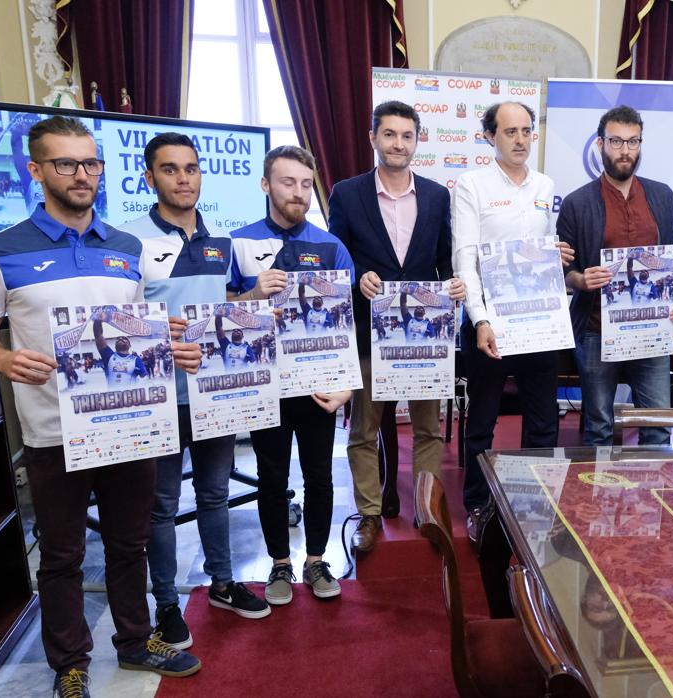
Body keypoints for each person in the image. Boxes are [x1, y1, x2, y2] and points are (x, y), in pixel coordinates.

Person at [0, 116, 202, 698]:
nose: (82, 175)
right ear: (36, 170)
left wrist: (171, 342)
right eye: (66, 164)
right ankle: (69, 662)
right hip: (52, 430)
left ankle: (135, 641)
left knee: (130, 542)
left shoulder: (126, 247)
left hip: (129, 423)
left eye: (91, 163)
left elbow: (138, 327)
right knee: (63, 554)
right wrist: (0, 359)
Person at [120, 132, 270, 649]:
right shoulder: (128, 241)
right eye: (170, 169)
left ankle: (223, 583)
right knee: (160, 505)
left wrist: (254, 295)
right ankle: (165, 604)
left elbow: (229, 304)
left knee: (215, 492)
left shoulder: (221, 242)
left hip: (215, 391)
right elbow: (120, 317)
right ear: (149, 177)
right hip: (158, 393)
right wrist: (162, 328)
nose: (183, 178)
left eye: (190, 168)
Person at [327, 100, 465, 552]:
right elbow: (335, 263)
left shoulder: (437, 195)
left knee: (427, 431)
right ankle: (368, 517)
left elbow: (443, 261)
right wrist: (354, 279)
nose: (398, 144)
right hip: (369, 335)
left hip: (424, 337)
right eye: (389, 134)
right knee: (363, 432)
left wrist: (454, 287)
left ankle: (426, 512)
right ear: (373, 138)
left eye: (407, 136)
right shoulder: (347, 194)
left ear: (417, 141)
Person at [228, 145, 353, 602]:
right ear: (266, 185)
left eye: (305, 184)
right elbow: (220, 319)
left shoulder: (331, 245)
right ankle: (280, 565)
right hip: (265, 386)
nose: (297, 192)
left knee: (319, 476)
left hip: (318, 386)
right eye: (287, 182)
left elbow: (346, 323)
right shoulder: (237, 244)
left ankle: (317, 561)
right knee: (271, 477)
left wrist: (346, 388)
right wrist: (253, 295)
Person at [453, 101, 573, 541]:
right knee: (482, 418)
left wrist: (555, 253)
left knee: (543, 417)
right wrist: (480, 319)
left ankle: (535, 499)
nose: (520, 140)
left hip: (537, 319)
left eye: (526, 131)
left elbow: (541, 248)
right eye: (510, 132)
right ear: (490, 136)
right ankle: (479, 505)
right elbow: (464, 259)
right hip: (489, 323)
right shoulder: (471, 185)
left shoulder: (545, 184)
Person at [557, 105, 673, 446]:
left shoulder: (662, 195)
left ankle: (653, 498)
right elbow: (564, 271)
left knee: (657, 426)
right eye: (616, 141)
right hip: (596, 331)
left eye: (633, 141)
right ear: (601, 144)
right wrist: (581, 280)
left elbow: (669, 258)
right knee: (599, 426)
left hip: (651, 329)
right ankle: (596, 497)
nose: (625, 150)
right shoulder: (576, 203)